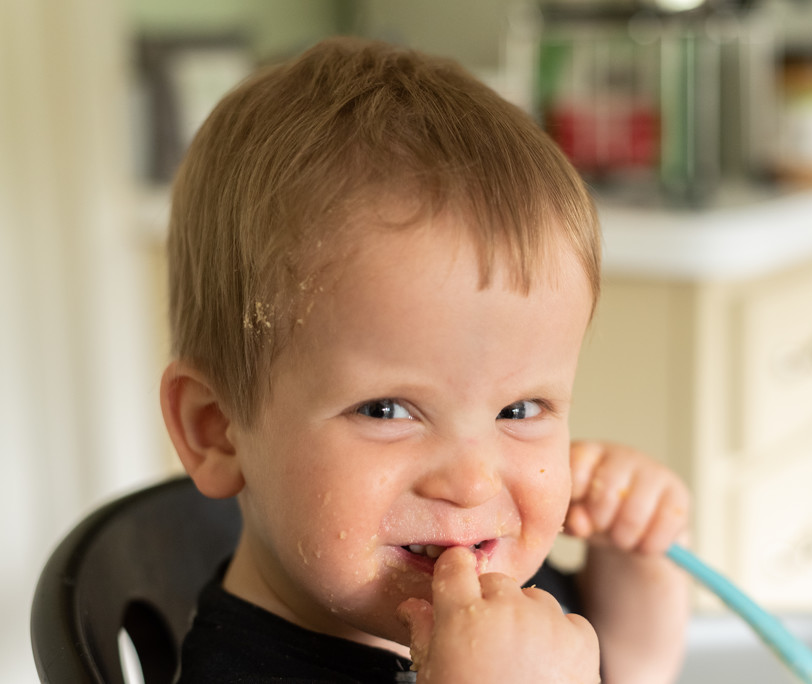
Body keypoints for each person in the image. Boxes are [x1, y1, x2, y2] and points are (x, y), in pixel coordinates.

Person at [159, 36, 690, 684]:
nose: (472, 482)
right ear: (217, 428)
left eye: (520, 409)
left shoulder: (479, 561)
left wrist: (629, 554)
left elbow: (637, 669)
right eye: (387, 410)